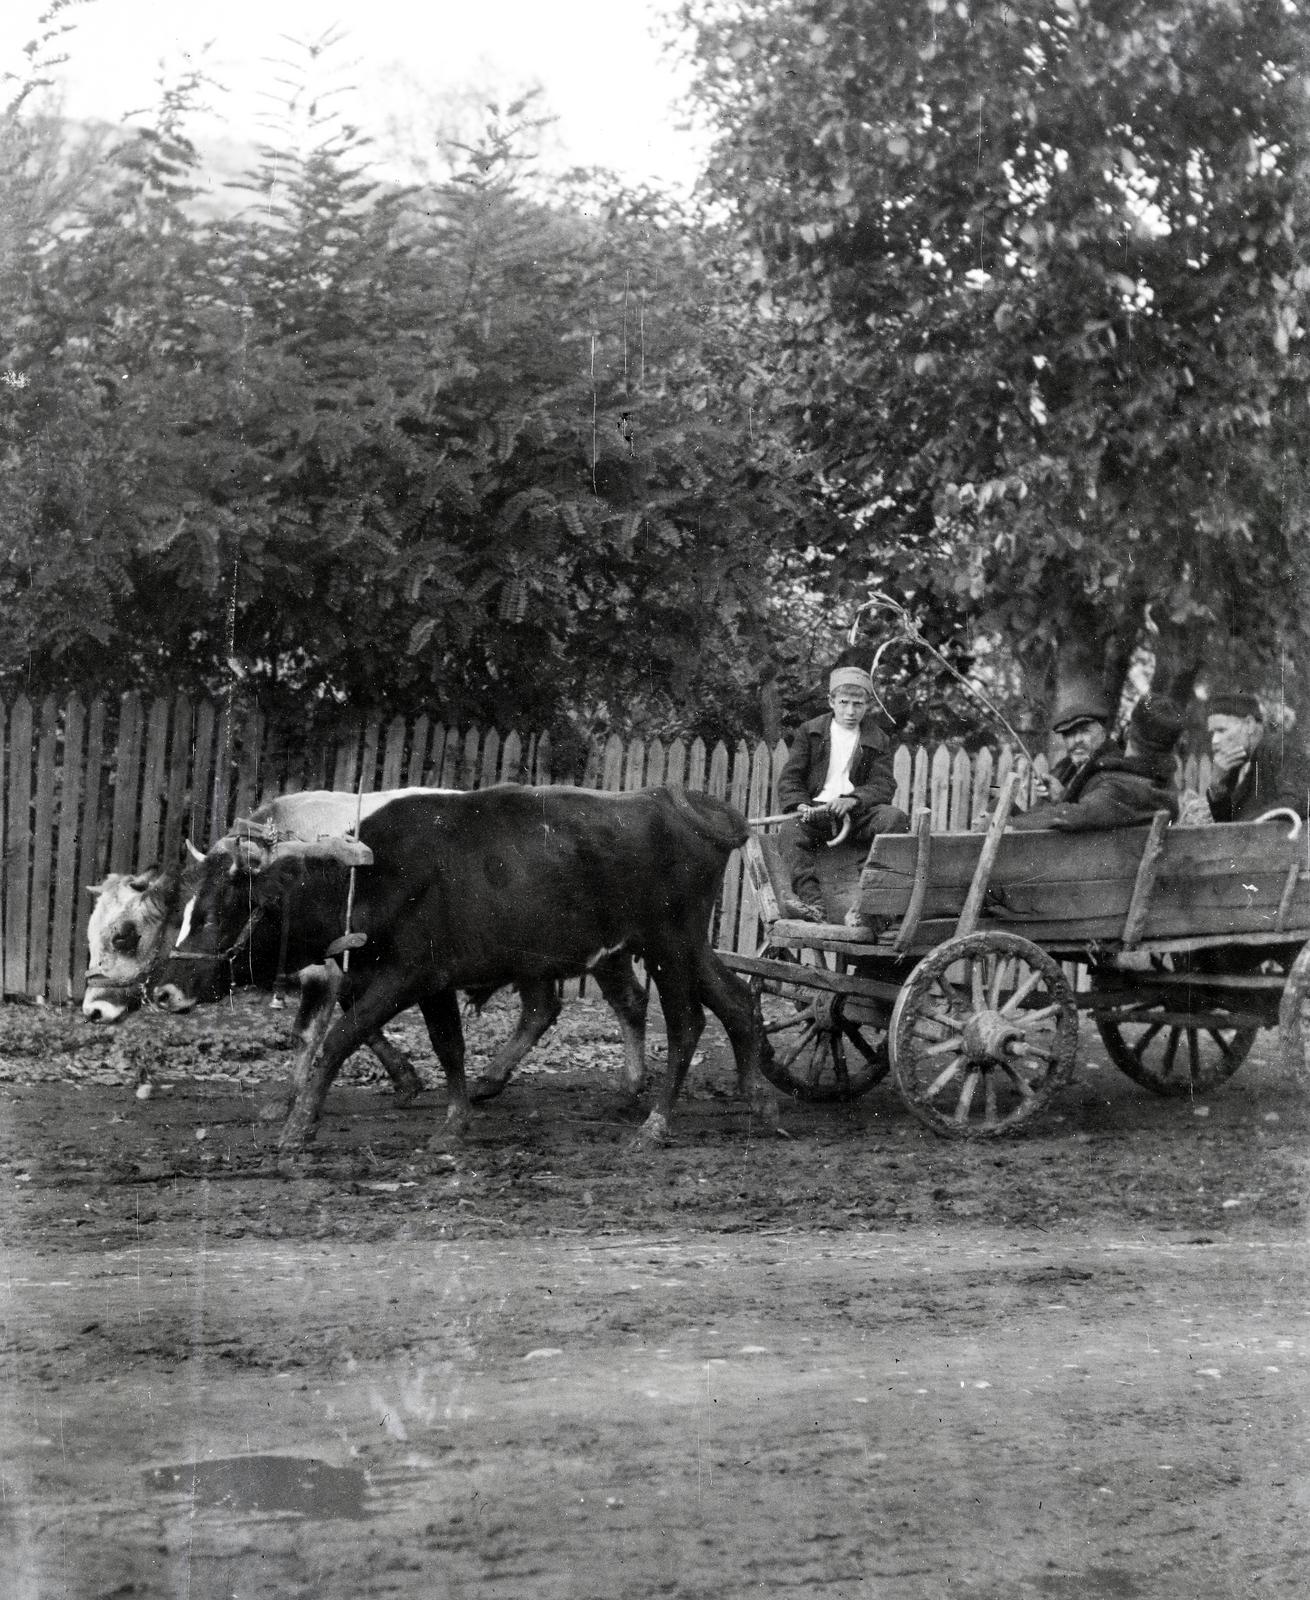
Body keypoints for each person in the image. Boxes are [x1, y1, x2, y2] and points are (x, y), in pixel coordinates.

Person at [776, 666, 909, 921]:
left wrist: (853, 800)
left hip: (856, 814)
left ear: (867, 705)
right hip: (817, 813)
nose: (850, 711)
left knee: (894, 819)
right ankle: (813, 905)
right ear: (831, 702)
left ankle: (868, 904)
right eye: (844, 703)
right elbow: (791, 778)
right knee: (790, 832)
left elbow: (883, 784)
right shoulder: (810, 731)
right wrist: (800, 806)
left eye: (858, 704)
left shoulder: (876, 738)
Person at [1009, 695, 1185, 832]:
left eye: (1084, 731)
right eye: (1068, 735)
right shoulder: (1161, 782)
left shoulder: (1121, 786)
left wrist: (1007, 824)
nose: (1076, 740)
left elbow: (1076, 815)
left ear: (1128, 732)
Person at [1204, 692, 1310, 822]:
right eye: (1213, 733)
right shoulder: (1235, 767)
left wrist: (1243, 826)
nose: (1214, 740)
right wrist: (1217, 788)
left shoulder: (1281, 751)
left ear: (1249, 724)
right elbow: (1224, 828)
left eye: (1221, 730)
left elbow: (1297, 802)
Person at [1042, 697, 1114, 803]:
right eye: (1070, 734)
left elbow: (1088, 816)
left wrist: (1061, 797)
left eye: (1085, 731)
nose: (1077, 740)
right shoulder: (1065, 768)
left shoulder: (1111, 770)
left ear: (1102, 735)